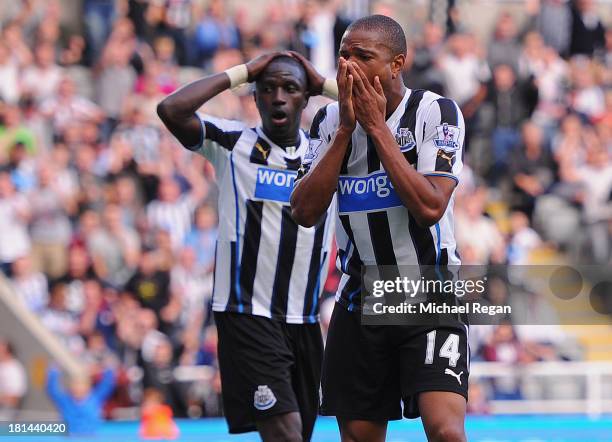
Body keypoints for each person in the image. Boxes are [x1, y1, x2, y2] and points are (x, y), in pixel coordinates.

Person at [291, 15, 469, 442]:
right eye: (344, 55)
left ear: (396, 64)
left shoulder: (436, 112)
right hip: (362, 297)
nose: (349, 66)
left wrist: (376, 128)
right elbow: (303, 211)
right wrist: (347, 130)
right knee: (358, 437)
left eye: (363, 56)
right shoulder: (327, 121)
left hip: (429, 291)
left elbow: (430, 206)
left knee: (445, 431)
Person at [157, 51, 337, 441]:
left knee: (299, 435)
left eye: (291, 89)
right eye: (267, 88)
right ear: (254, 96)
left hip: (304, 322)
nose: (278, 97)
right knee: (285, 434)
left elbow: (387, 119)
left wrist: (321, 83)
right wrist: (241, 72)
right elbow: (171, 109)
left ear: (305, 100)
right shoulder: (232, 142)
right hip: (247, 314)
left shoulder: (326, 155)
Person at [46, 364, 116, 435]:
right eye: (76, 385)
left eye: (81, 385)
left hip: (90, 437)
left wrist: (108, 370)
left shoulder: (95, 398)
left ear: (87, 387)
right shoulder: (65, 400)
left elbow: (107, 385)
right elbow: (53, 391)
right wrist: (53, 374)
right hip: (71, 437)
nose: (78, 389)